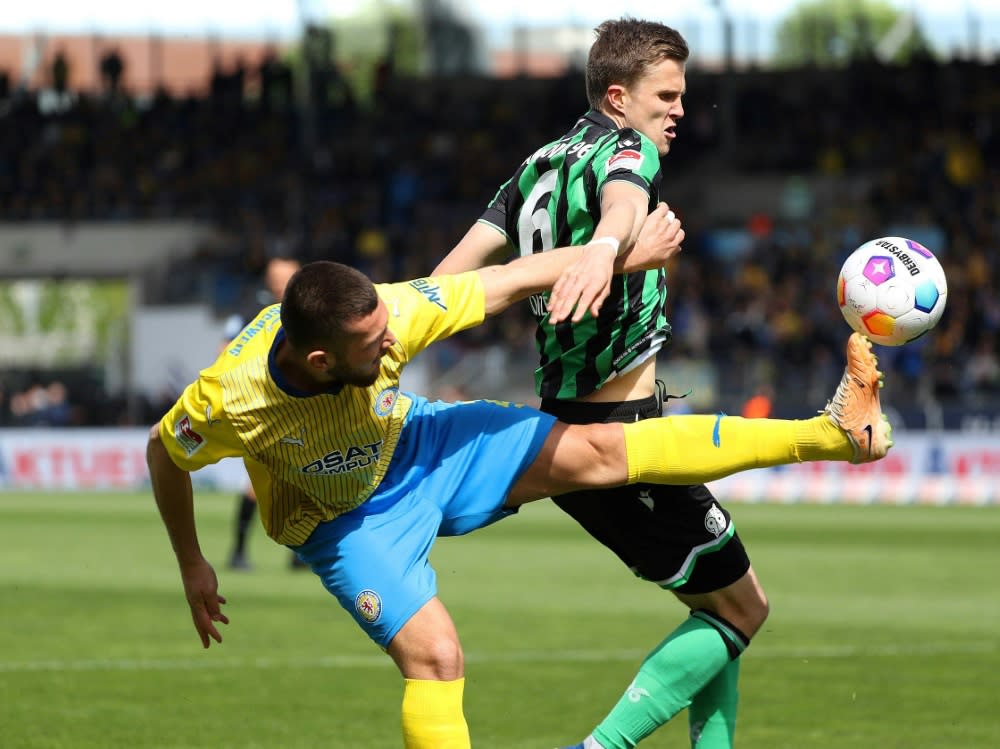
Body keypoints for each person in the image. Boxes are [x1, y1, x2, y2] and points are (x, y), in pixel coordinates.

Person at [146, 206, 890, 749]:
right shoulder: (227, 398)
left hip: (423, 443)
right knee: (436, 656)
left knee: (599, 451)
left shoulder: (394, 313)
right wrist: (190, 560)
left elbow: (509, 279)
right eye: (372, 344)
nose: (391, 341)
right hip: (344, 521)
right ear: (319, 362)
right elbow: (163, 453)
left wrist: (617, 258)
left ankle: (828, 430)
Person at [431, 18, 798, 749]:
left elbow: (445, 279)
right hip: (623, 440)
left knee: (713, 605)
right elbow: (626, 202)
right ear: (619, 95)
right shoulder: (625, 149)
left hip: (568, 436)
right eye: (667, 95)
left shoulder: (533, 167)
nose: (681, 110)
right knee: (742, 611)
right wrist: (607, 249)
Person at [225, 256, 302, 571]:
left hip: (305, 408)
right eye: (276, 276)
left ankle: (299, 554)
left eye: (287, 276)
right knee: (259, 483)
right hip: (266, 408)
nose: (280, 282)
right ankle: (239, 551)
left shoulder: (312, 312)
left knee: (303, 480)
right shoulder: (250, 313)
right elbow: (224, 351)